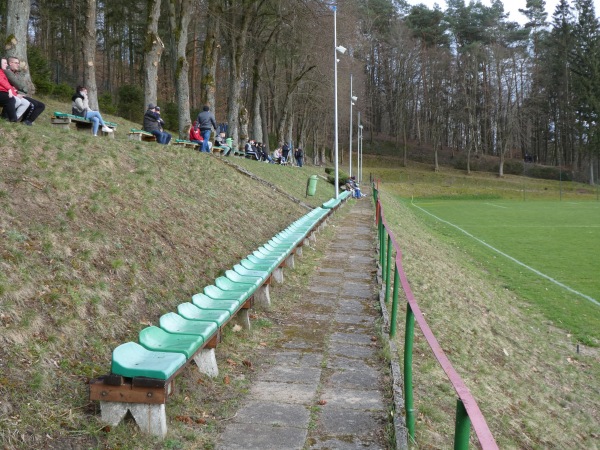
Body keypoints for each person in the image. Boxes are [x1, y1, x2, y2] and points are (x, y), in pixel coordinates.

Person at [4, 56, 46, 125]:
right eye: (16, 63)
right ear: (10, 63)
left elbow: (23, 85)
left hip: (20, 93)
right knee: (34, 104)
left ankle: (27, 121)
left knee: (41, 105)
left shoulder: (17, 73)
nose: (18, 65)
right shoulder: (8, 72)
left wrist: (22, 88)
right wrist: (21, 88)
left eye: (18, 63)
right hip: (15, 94)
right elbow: (19, 85)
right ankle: (25, 121)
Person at [1, 58, 30, 122]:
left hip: (9, 92)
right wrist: (14, 92)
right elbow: (5, 83)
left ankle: (14, 118)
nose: (6, 64)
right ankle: (8, 118)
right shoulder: (6, 72)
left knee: (26, 103)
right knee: (14, 100)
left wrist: (16, 93)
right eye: (5, 63)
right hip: (3, 92)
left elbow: (22, 85)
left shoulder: (4, 72)